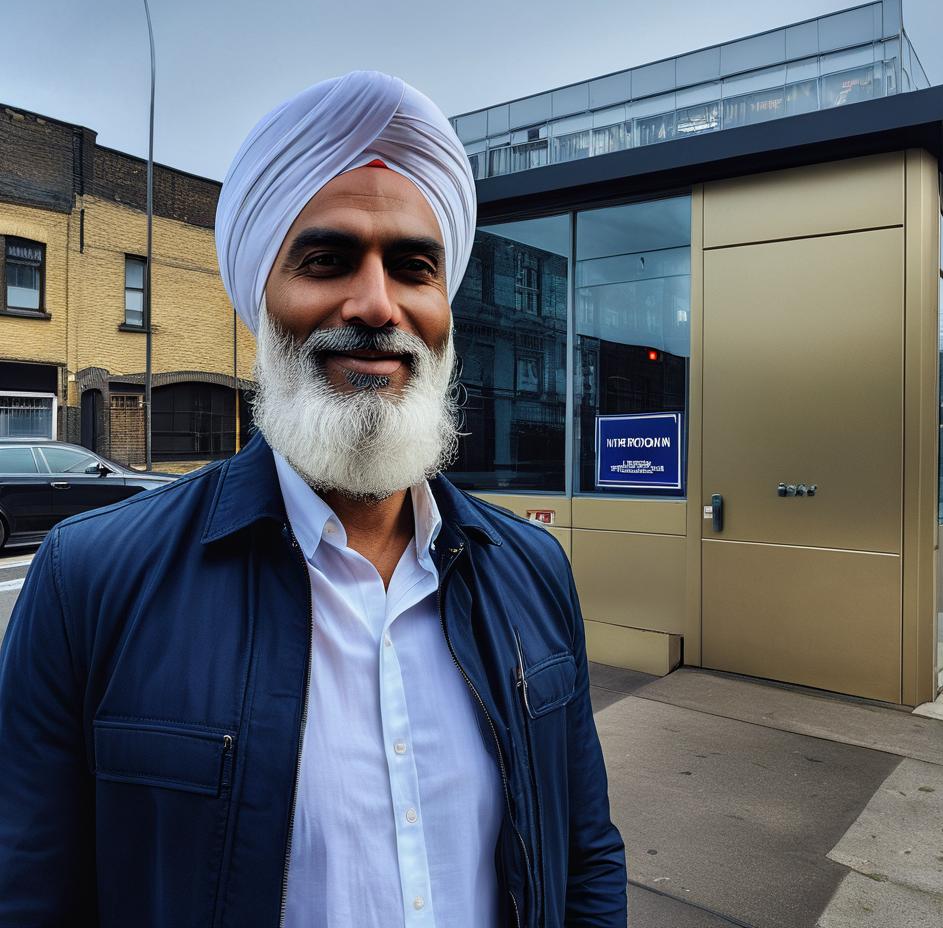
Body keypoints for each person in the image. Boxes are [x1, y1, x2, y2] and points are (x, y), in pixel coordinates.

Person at [0, 71, 627, 927]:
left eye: (414, 268)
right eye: (328, 260)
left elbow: (585, 854)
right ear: (261, 298)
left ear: (443, 309)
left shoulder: (531, 569)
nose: (376, 304)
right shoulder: (91, 580)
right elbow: (28, 891)